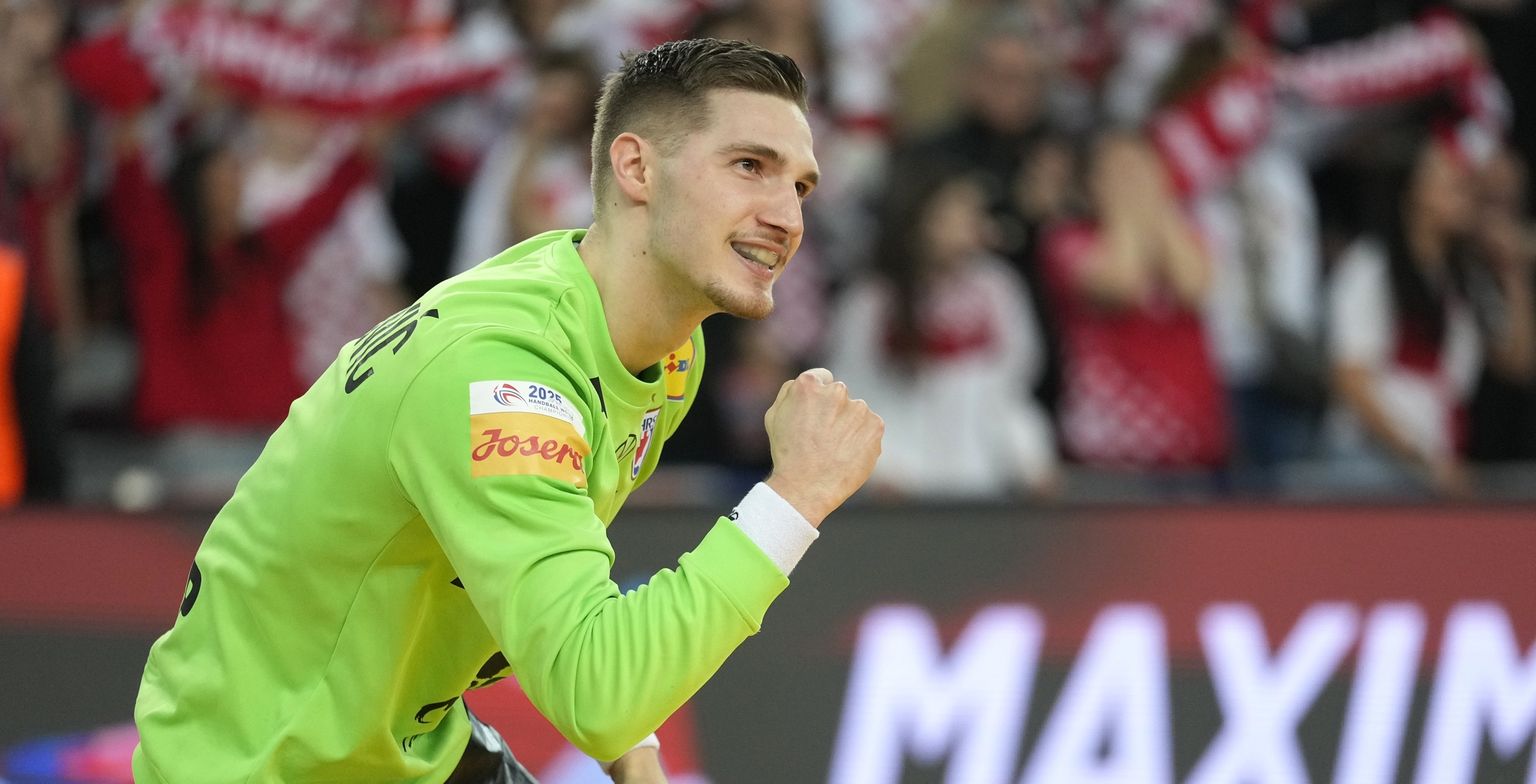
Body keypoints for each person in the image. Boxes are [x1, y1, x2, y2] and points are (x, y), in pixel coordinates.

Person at [131, 38, 884, 784]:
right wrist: (796, 494)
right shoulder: (505, 374)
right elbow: (599, 693)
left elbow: (552, 593)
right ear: (636, 168)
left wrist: (637, 752)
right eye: (750, 166)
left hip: (395, 737)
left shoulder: (658, 348)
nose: (787, 217)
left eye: (800, 187)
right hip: (265, 764)